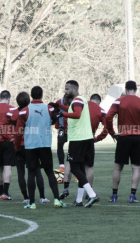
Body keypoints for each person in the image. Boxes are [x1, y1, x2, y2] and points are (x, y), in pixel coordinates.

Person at [105, 81, 140, 203]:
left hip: (123, 137)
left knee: (118, 168)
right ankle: (132, 196)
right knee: (136, 168)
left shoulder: (119, 101)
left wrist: (112, 132)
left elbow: (108, 117)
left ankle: (114, 196)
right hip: (138, 138)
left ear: (125, 89)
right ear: (136, 89)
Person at [14, 86, 66, 209]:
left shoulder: (24, 111)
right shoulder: (49, 108)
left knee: (31, 173)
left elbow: (18, 132)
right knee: (49, 172)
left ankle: (31, 203)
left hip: (31, 146)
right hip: (45, 144)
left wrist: (16, 147)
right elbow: (56, 118)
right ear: (42, 94)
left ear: (31, 96)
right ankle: (57, 199)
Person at [52, 80, 100, 208]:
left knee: (73, 168)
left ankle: (92, 194)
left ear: (74, 89)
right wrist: (60, 107)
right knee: (80, 169)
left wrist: (61, 114)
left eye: (67, 89)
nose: (65, 91)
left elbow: (77, 114)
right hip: (87, 138)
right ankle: (79, 200)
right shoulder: (80, 100)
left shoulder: (77, 100)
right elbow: (73, 109)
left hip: (78, 140)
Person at [56, 94, 108, 200]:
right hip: (89, 139)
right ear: (99, 102)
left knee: (71, 165)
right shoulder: (100, 110)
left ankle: (66, 188)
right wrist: (98, 138)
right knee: (88, 167)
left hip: (77, 138)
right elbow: (107, 127)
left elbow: (74, 113)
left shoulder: (83, 104)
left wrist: (61, 113)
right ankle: (86, 195)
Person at [1, 91, 50, 204]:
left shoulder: (14, 112)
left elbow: (2, 125)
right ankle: (42, 197)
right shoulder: (31, 110)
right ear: (29, 100)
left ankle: (26, 197)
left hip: (19, 145)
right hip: (32, 144)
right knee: (36, 170)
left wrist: (10, 137)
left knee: (20, 171)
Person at [50, 94, 72, 173]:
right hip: (62, 127)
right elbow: (55, 113)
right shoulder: (59, 102)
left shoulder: (74, 103)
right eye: (67, 101)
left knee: (73, 147)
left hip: (73, 129)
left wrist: (59, 106)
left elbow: (70, 110)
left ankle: (76, 170)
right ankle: (62, 166)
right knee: (59, 144)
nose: (68, 102)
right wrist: (56, 124)